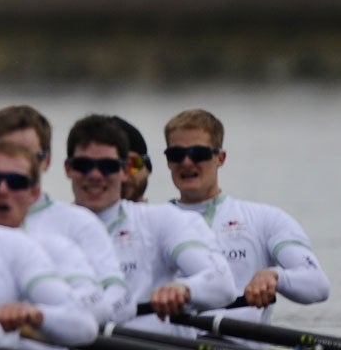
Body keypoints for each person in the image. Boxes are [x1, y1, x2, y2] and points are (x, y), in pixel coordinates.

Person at [65, 113, 234, 331]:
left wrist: (184, 289)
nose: (95, 175)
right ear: (68, 169)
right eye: (83, 165)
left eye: (107, 166)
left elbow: (223, 286)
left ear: (124, 171)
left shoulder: (161, 220)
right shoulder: (48, 229)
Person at [163, 107, 329, 323]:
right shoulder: (153, 223)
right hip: (172, 348)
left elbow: (318, 285)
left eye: (198, 153)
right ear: (167, 161)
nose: (186, 162)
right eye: (176, 155)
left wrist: (275, 276)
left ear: (220, 158)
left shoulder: (264, 220)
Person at [0, 139, 102, 350]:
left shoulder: (56, 249)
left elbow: (90, 316)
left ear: (34, 193)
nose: (2, 190)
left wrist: (35, 314)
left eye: (16, 183)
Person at [0, 103, 130, 326]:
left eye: (26, 156)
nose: (12, 167)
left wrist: (54, 315)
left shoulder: (79, 223)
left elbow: (118, 295)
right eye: (4, 154)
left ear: (47, 161)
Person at [116, 117, 155, 204]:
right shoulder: (81, 217)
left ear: (148, 168)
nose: (124, 176)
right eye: (114, 166)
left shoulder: (167, 216)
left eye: (133, 164)